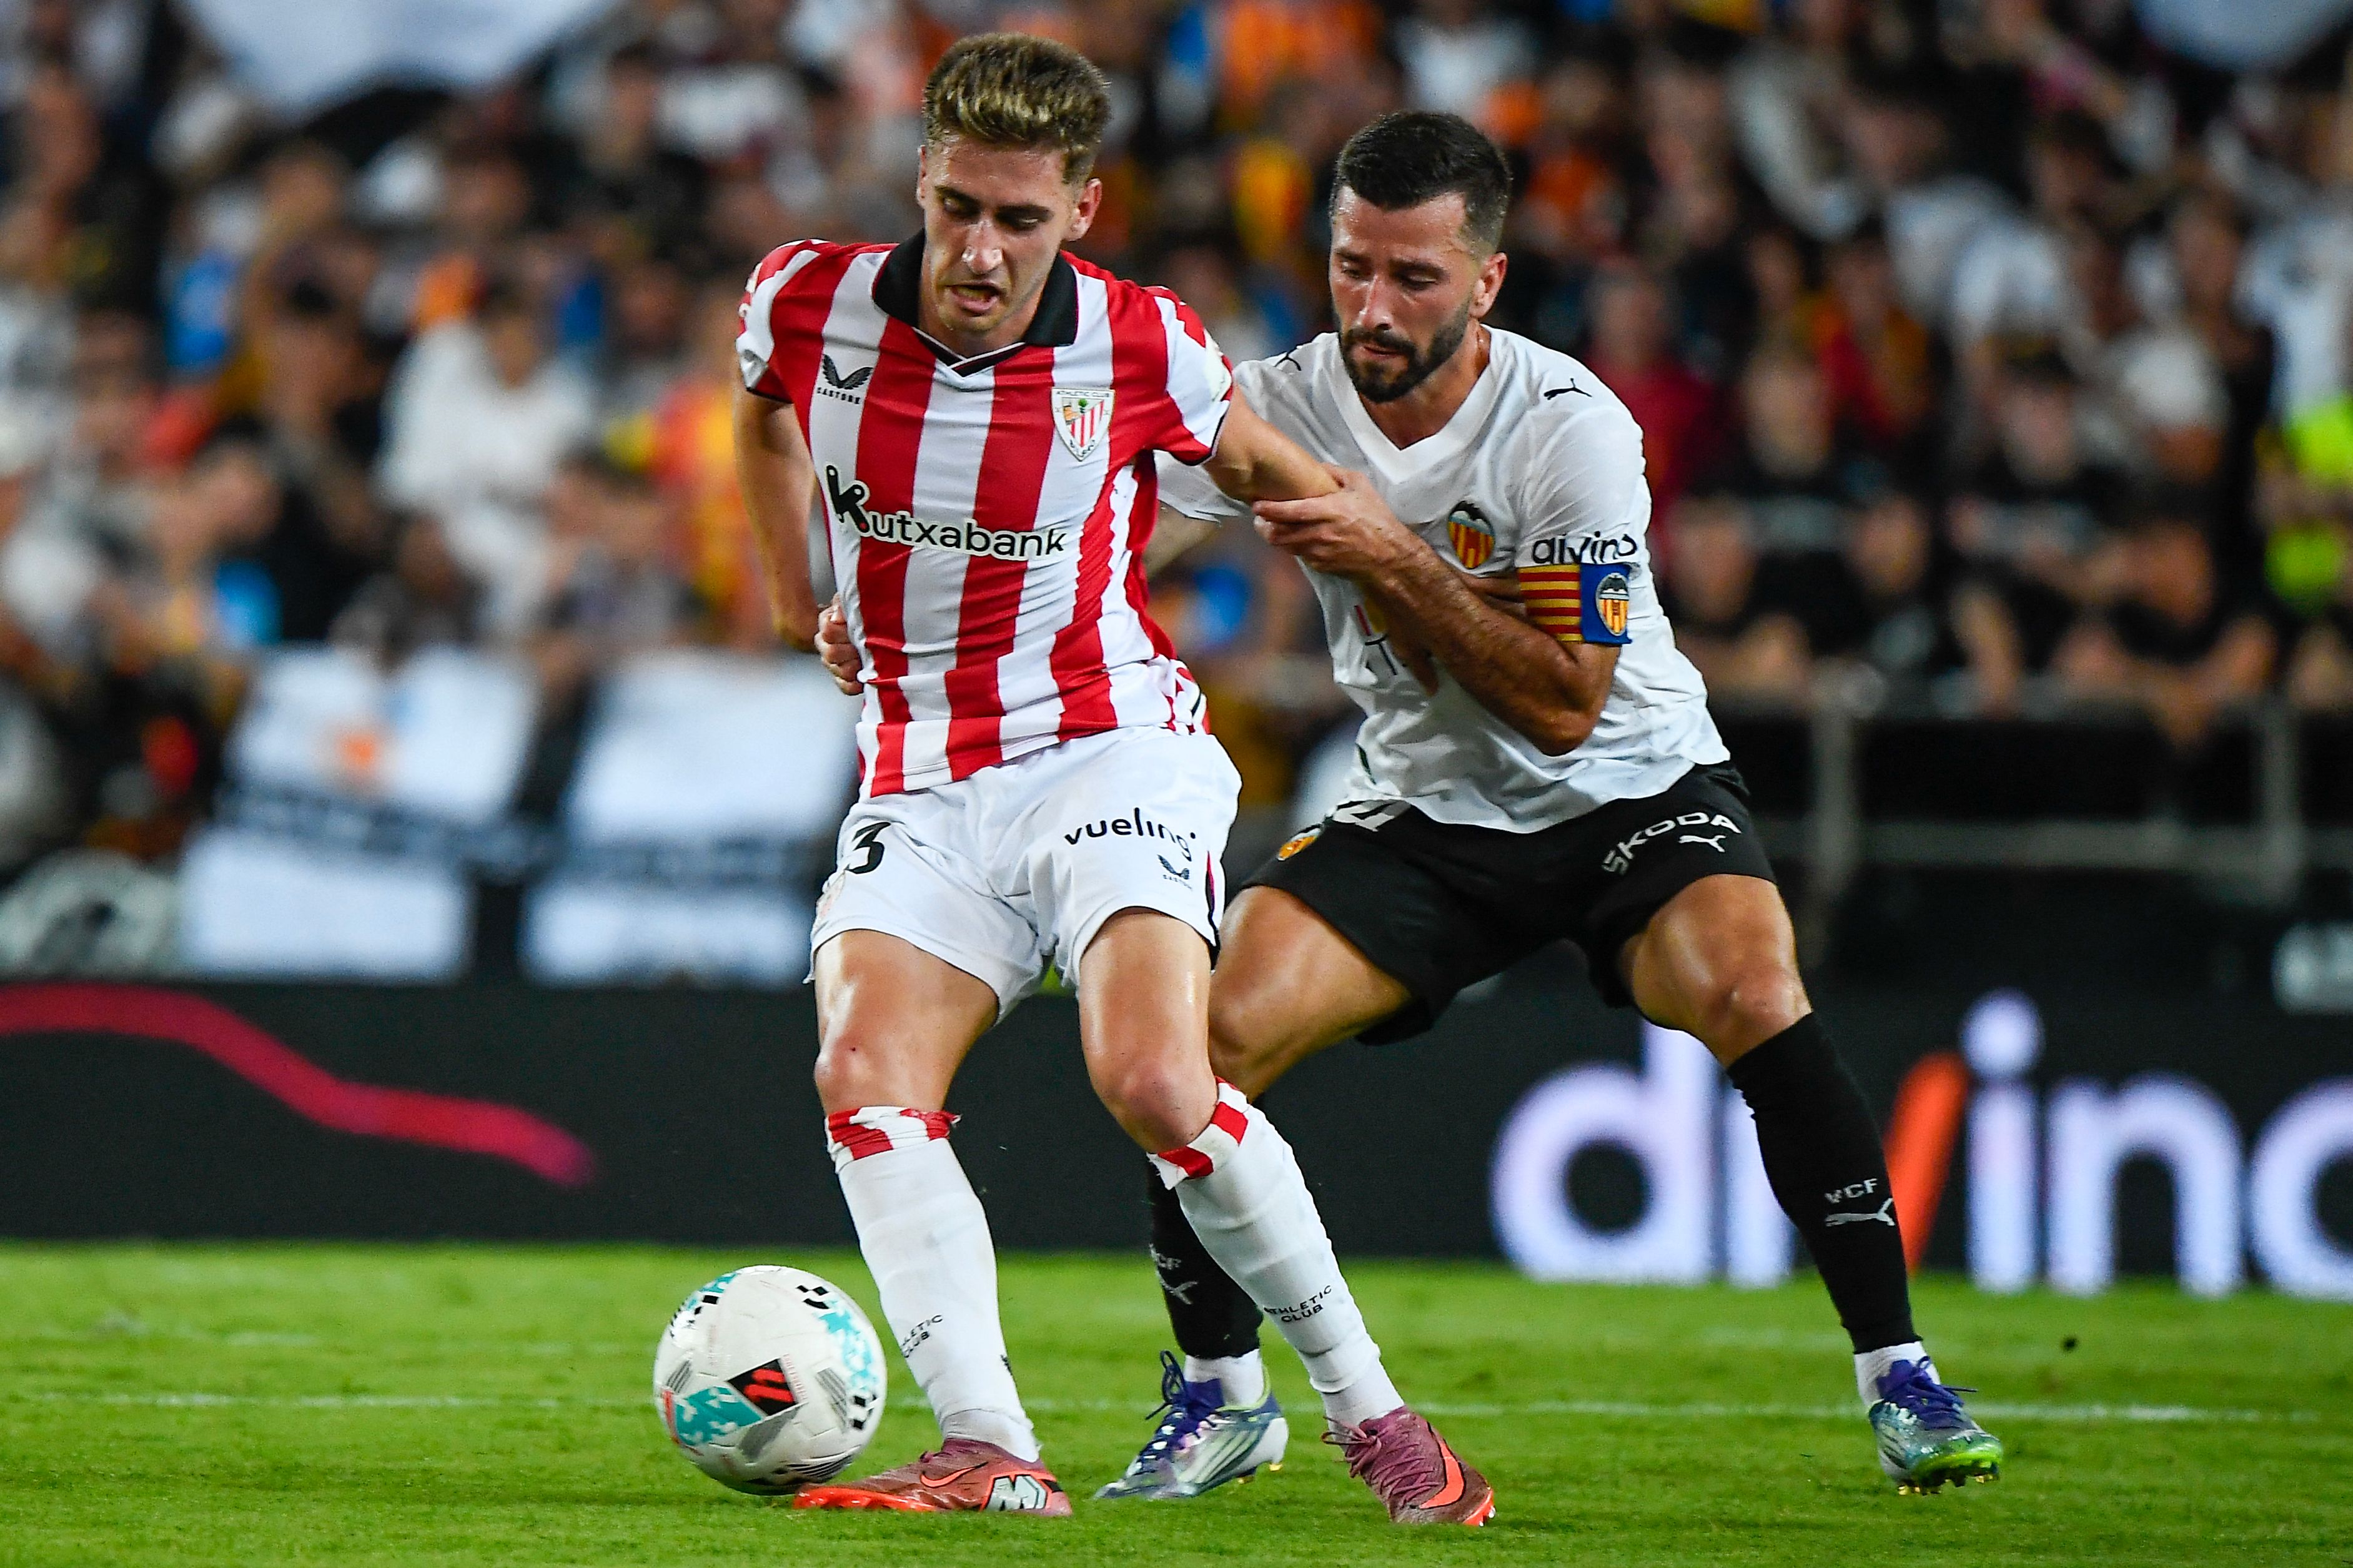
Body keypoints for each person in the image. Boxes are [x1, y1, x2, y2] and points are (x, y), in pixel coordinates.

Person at [826, 108, 2001, 1500]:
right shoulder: (1277, 398)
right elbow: (1080, 486)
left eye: (1415, 278)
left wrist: (1393, 555)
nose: (1374, 308)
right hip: (1425, 815)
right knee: (1208, 1040)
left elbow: (1566, 698)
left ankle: (1900, 1374)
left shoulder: (1573, 432)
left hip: (1630, 792)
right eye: (1351, 269)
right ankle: (1220, 1394)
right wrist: (905, 608)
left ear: (1487, 282)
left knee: (1749, 982)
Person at [738, 36, 1490, 1524]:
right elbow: (761, 403)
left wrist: (1396, 571)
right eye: (959, 208)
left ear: (1079, 211)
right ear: (923, 182)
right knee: (862, 1079)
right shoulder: (802, 298)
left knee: (1153, 1078)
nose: (980, 249)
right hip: (921, 771)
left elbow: (1286, 476)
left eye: (1020, 220)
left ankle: (1380, 1418)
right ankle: (990, 1448)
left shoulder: (1139, 341)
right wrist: (790, 593)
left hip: (1108, 747)